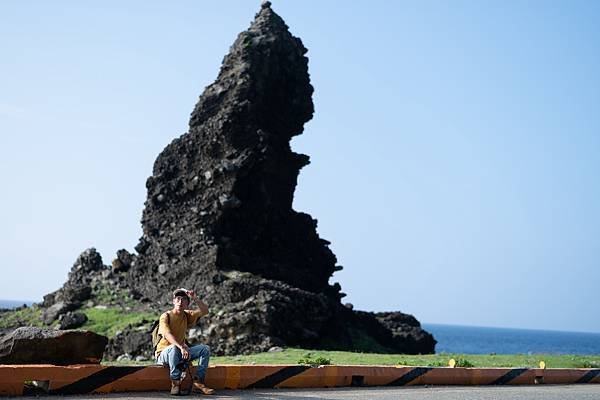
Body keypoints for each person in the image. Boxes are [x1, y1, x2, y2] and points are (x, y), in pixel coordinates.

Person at [155, 288, 215, 395]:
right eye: (177, 299)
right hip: (163, 354)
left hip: (181, 352)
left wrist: (195, 298)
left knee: (205, 349)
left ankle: (198, 383)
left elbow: (205, 311)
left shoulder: (187, 315)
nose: (180, 302)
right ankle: (175, 383)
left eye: (183, 299)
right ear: (173, 301)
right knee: (174, 348)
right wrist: (181, 347)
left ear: (187, 303)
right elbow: (167, 334)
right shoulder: (166, 316)